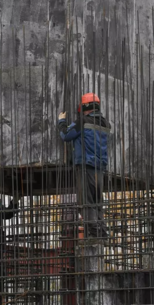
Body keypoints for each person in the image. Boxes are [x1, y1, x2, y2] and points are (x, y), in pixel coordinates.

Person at [57, 92, 111, 239]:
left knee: (85, 201)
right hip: (100, 168)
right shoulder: (105, 123)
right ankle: (102, 231)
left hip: (85, 166)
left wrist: (61, 122)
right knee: (97, 201)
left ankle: (94, 232)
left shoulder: (82, 121)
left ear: (84, 107)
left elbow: (66, 135)